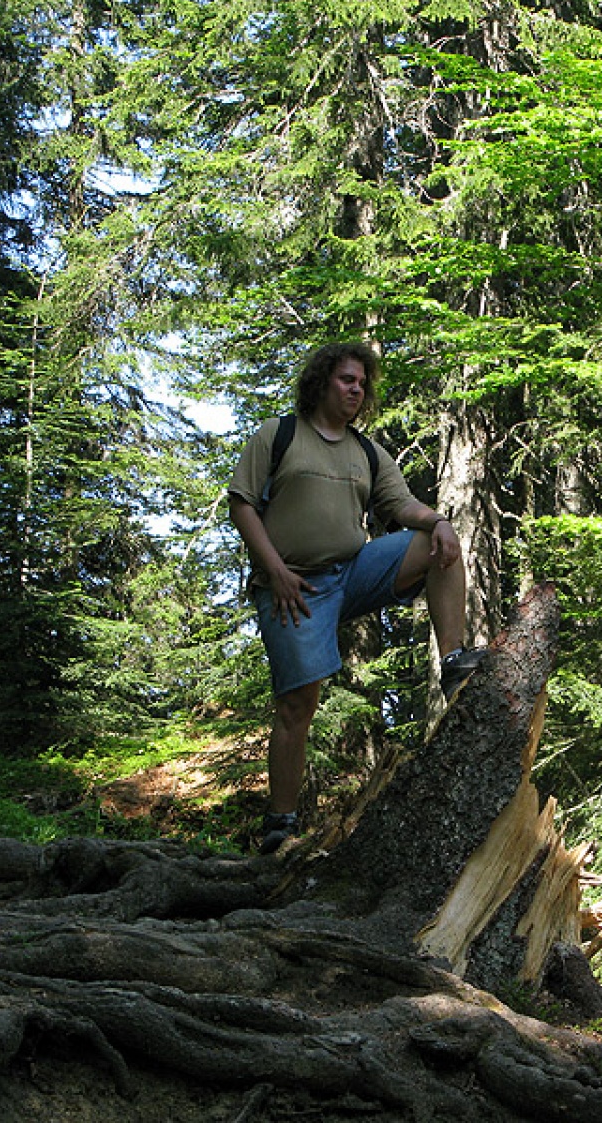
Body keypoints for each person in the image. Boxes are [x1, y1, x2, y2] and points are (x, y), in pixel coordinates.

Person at [227, 342, 485, 853]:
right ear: (322, 381)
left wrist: (438, 521)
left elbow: (401, 504)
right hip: (293, 584)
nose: (356, 390)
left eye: (362, 384)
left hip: (353, 572)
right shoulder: (278, 436)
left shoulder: (366, 451)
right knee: (299, 703)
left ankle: (453, 658)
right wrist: (273, 570)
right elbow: (241, 506)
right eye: (347, 379)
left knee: (438, 546)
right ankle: (281, 824)